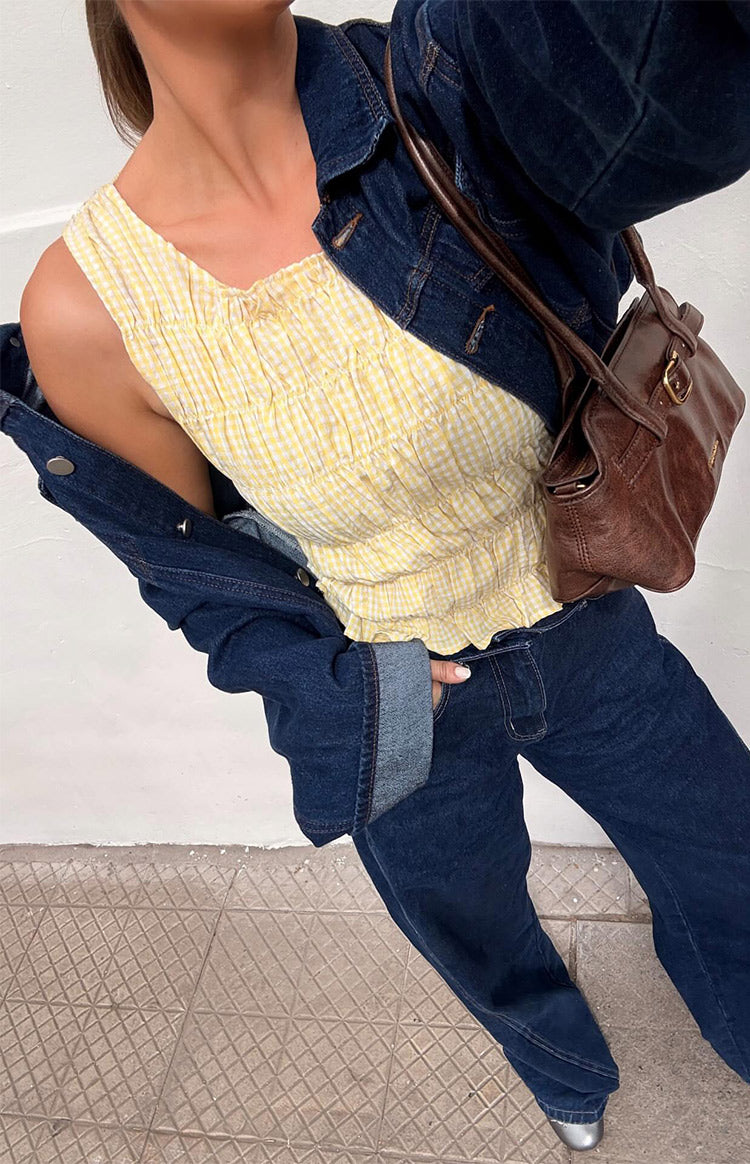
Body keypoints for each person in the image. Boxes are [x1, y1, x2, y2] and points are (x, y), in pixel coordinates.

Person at [6, 0, 750, 1152]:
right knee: (467, 918)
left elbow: (650, 66)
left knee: (731, 850)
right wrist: (339, 694)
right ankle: (555, 1059)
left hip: (582, 617)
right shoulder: (87, 303)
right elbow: (201, 576)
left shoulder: (447, 88)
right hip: (396, 692)